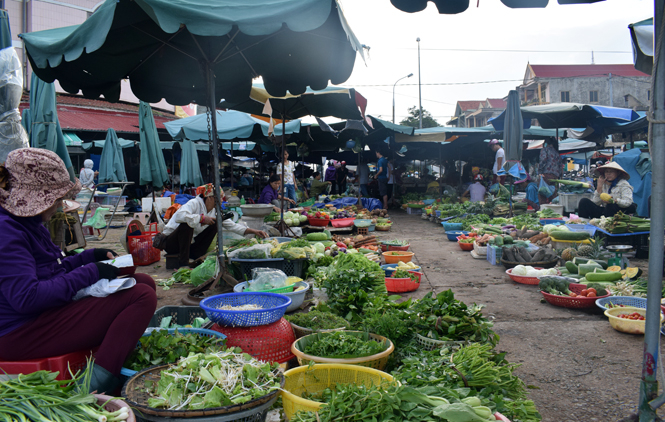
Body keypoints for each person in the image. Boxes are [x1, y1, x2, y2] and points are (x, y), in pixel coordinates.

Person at [0, 148, 157, 395]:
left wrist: (87, 257)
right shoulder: (6, 231)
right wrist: (90, 272)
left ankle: (111, 356)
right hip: (19, 333)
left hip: (40, 316)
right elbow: (27, 298)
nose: (61, 205)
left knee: (144, 281)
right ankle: (88, 390)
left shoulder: (29, 223)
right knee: (141, 296)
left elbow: (52, 270)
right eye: (57, 198)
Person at [162, 183, 267, 268]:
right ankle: (183, 264)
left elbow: (233, 226)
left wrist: (254, 231)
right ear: (210, 198)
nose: (221, 201)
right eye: (219, 198)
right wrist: (202, 218)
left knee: (217, 223)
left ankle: (196, 256)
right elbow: (179, 216)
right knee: (187, 224)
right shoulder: (194, 203)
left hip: (190, 245)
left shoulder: (215, 211)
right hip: (171, 243)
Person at [538, 137, 562, 205]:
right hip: (555, 177)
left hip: (545, 175)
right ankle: (553, 209)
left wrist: (539, 172)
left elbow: (543, 160)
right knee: (553, 196)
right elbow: (560, 167)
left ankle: (542, 210)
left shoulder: (545, 150)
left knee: (542, 193)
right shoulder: (557, 153)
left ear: (546, 143)